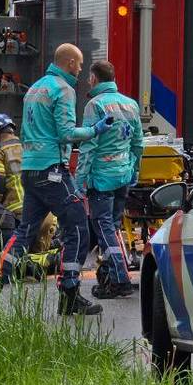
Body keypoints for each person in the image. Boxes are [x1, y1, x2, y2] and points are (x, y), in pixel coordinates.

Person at [0, 43, 115, 316]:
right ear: (70, 63)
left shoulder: (35, 89)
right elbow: (66, 133)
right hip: (52, 170)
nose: (80, 70)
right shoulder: (63, 89)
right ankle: (70, 293)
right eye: (79, 65)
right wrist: (95, 130)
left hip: (30, 170)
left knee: (25, 231)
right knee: (78, 228)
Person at [76, 61, 143, 300]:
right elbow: (138, 143)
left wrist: (79, 180)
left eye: (89, 78)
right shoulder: (130, 104)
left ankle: (120, 278)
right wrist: (134, 170)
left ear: (94, 79)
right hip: (123, 175)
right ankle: (115, 274)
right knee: (113, 228)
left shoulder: (95, 105)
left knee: (104, 227)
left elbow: (88, 146)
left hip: (102, 178)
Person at [0, 113, 57, 255]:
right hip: (46, 213)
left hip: (19, 217)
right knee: (39, 260)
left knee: (18, 260)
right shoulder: (28, 145)